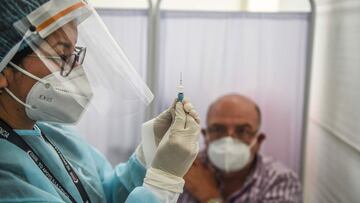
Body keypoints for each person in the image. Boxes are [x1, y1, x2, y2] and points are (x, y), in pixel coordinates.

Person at [0, 0, 201, 202]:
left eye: (74, 55)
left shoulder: (55, 132)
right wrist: (161, 185)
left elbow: (103, 195)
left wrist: (150, 149)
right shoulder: (6, 177)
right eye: (62, 55)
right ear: (3, 71)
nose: (76, 70)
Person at [178, 94, 302, 203]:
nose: (228, 139)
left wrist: (210, 197)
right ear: (205, 136)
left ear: (259, 141)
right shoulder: (185, 170)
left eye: (242, 131)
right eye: (218, 129)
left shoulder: (279, 180)